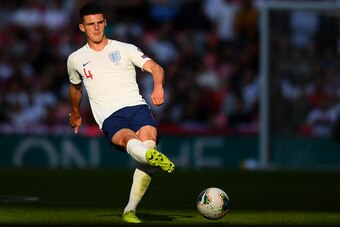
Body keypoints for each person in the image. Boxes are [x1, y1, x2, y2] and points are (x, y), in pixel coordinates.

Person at [67, 3, 175, 223]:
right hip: (110, 115)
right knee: (130, 140)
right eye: (90, 24)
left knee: (148, 142)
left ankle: (129, 211)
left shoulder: (125, 49)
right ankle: (147, 159)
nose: (96, 28)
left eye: (99, 22)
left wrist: (158, 85)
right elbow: (75, 88)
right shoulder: (75, 59)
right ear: (82, 28)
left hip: (137, 106)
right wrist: (76, 113)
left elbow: (156, 68)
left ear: (105, 23)